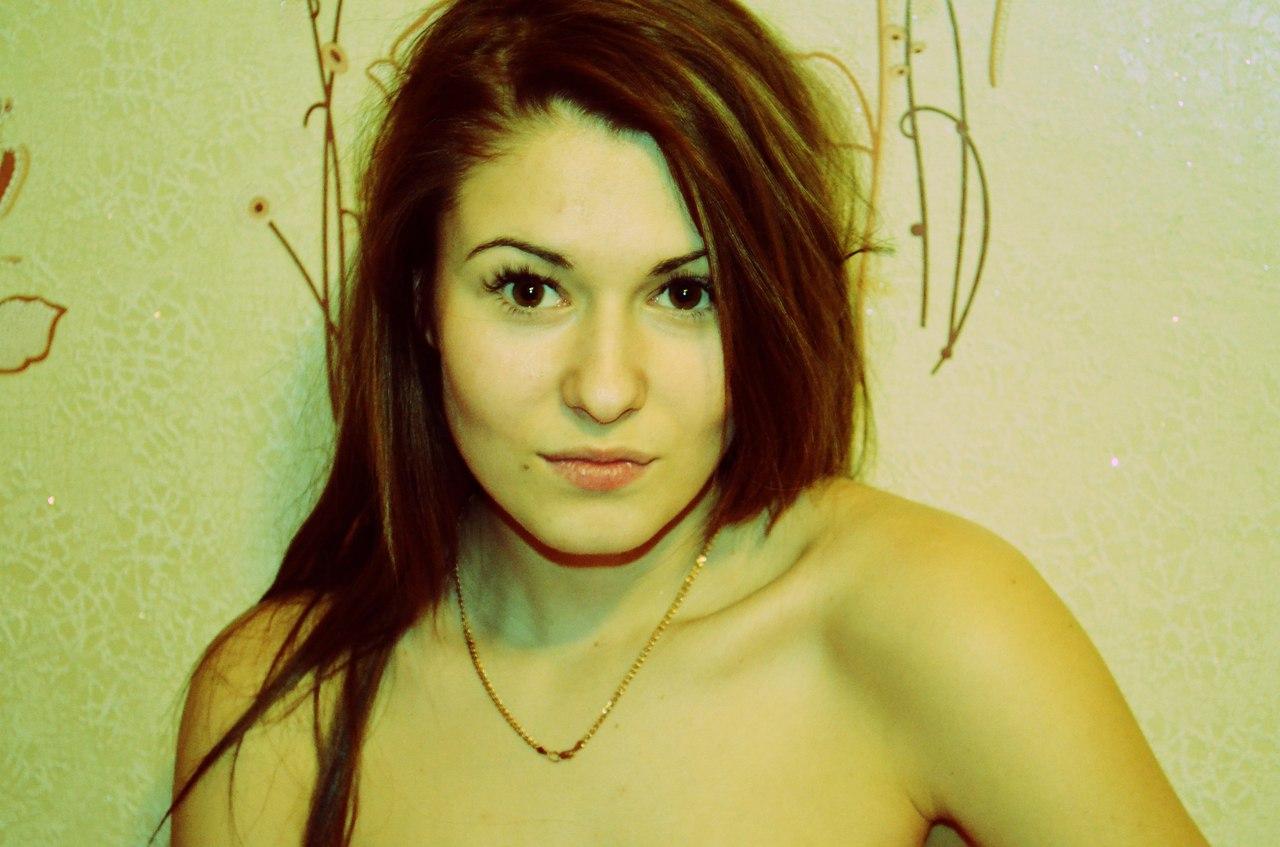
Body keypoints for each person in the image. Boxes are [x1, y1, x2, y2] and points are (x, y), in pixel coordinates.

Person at [162, 1, 1211, 844]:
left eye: (685, 293)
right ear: (420, 300)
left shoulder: (932, 622)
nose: (605, 388)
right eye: (527, 289)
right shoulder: (274, 712)